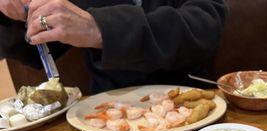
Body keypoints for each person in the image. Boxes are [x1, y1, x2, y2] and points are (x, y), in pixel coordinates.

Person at [0, 0, 227, 93]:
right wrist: (15, 13)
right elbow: (35, 50)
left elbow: (204, 26)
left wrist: (100, 28)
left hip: (191, 97)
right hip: (104, 110)